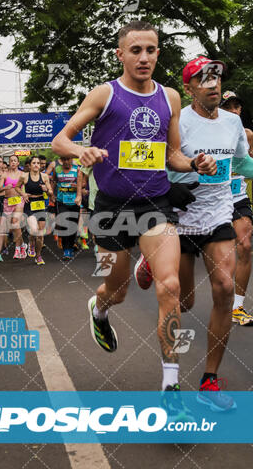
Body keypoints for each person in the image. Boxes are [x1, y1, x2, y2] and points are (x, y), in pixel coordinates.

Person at [52, 21, 216, 408]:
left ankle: (171, 386)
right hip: (110, 208)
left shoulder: (171, 97)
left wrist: (194, 163)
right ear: (120, 54)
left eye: (151, 50)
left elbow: (170, 154)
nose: (144, 57)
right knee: (118, 290)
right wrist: (82, 152)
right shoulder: (105, 94)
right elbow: (60, 140)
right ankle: (100, 306)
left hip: (155, 205)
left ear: (159, 53)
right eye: (136, 50)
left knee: (170, 287)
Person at [135, 58, 253, 410]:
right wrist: (168, 189)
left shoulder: (233, 122)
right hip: (179, 217)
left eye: (216, 78)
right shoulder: (177, 121)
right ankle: (151, 262)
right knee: (184, 302)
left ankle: (209, 381)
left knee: (225, 287)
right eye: (203, 79)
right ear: (189, 89)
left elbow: (242, 163)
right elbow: (148, 159)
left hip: (218, 213)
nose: (212, 84)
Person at [220, 91, 253, 325]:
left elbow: (249, 165)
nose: (234, 111)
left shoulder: (248, 135)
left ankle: (238, 307)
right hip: (212, 199)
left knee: (246, 245)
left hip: (238, 197)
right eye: (229, 107)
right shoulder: (208, 132)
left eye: (237, 106)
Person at [15, 156, 53, 265]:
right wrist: (23, 194)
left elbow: (50, 191)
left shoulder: (45, 176)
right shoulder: (24, 176)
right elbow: (17, 187)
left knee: (40, 234)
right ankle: (31, 241)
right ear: (30, 165)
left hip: (40, 204)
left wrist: (47, 190)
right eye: (34, 163)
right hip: (29, 204)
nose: (36, 165)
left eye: (38, 163)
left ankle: (38, 255)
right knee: (34, 230)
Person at [0, 154, 27, 259]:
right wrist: (5, 187)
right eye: (11, 161)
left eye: (15, 161)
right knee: (14, 227)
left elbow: (28, 186)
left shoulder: (23, 174)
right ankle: (22, 244)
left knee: (15, 222)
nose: (13, 162)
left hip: (19, 200)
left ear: (18, 163)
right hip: (8, 201)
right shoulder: (4, 175)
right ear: (9, 163)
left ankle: (18, 249)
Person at [52, 156, 82, 260]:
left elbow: (80, 184)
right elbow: (54, 181)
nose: (66, 161)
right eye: (64, 159)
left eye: (68, 159)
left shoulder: (77, 169)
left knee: (73, 225)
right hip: (61, 201)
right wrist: (51, 194)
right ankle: (66, 250)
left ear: (71, 160)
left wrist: (79, 196)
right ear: (61, 160)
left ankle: (71, 245)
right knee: (64, 225)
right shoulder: (57, 169)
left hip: (74, 201)